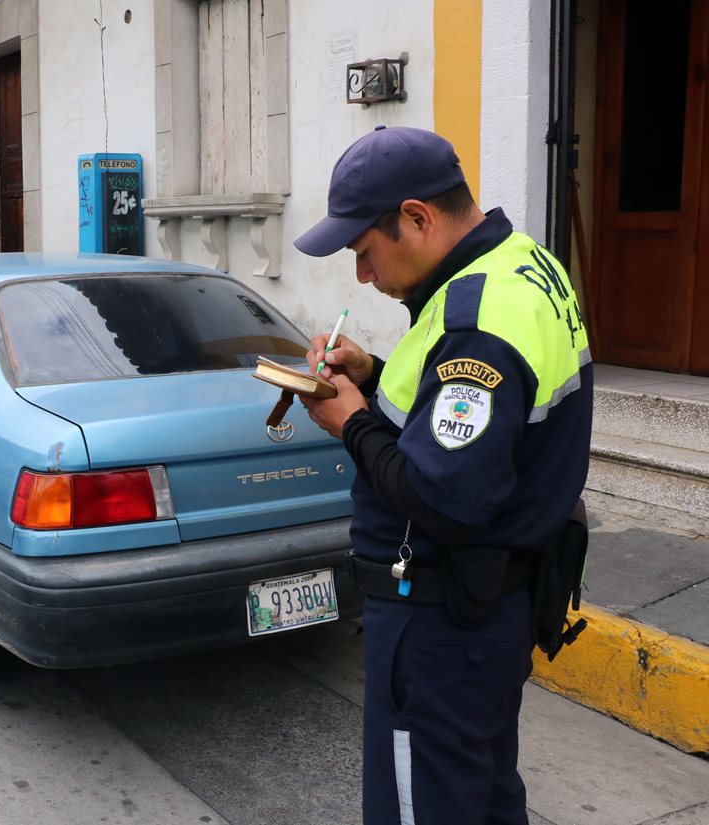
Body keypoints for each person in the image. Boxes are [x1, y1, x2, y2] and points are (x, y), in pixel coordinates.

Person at [294, 126, 592, 825]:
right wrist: (371, 377)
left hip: (439, 625)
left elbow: (446, 496)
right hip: (488, 613)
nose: (362, 275)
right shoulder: (523, 264)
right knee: (484, 798)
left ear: (418, 218)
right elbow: (467, 425)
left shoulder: (476, 323)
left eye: (365, 251)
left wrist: (352, 422)